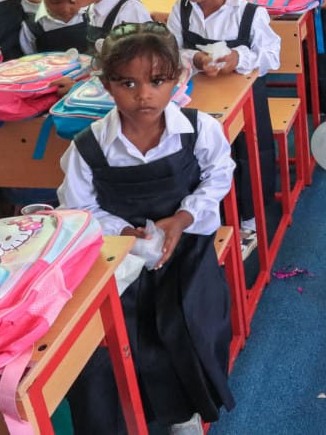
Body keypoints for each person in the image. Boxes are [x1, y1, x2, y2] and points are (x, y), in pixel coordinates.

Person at [59, 24, 235, 435]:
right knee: (115, 335)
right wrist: (125, 234)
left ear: (177, 79)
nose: (144, 95)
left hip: (187, 247)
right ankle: (132, 410)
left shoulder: (197, 130)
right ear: (106, 85)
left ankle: (186, 409)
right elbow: (78, 208)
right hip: (120, 259)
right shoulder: (89, 147)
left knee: (189, 321)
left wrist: (185, 217)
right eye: (127, 83)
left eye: (157, 82)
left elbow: (219, 175)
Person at [167, 0, 280, 244]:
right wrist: (196, 59)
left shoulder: (250, 14)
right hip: (198, 101)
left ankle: (249, 217)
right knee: (201, 156)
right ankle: (204, 214)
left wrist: (238, 58)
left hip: (246, 103)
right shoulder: (181, 10)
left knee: (247, 156)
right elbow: (172, 50)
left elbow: (272, 55)